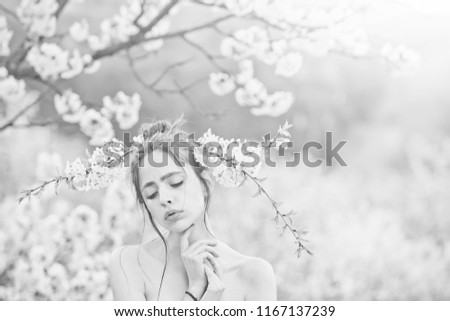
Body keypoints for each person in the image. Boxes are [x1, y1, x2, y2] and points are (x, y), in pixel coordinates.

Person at [109, 117, 276, 301]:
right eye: (151, 194)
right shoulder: (130, 263)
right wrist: (197, 292)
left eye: (175, 182)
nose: (164, 199)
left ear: (206, 184)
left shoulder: (253, 274)